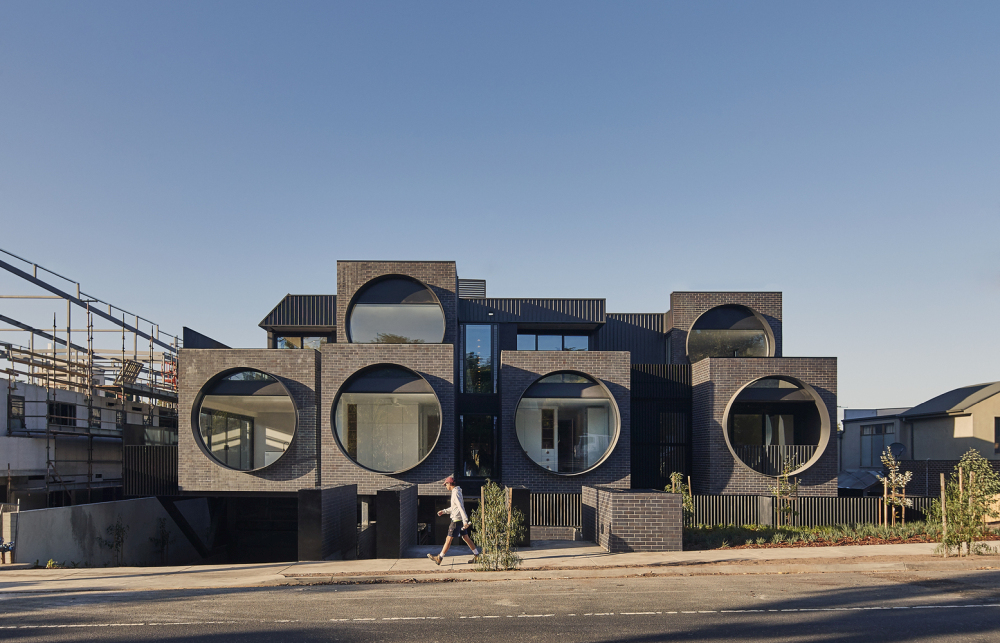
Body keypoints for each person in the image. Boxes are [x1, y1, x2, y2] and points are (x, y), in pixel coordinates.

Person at [427, 476, 481, 565]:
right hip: (459, 520)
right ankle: (477, 556)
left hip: (456, 521)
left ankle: (439, 558)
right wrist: (444, 511)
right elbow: (454, 507)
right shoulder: (456, 492)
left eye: (446, 485)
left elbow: (460, 507)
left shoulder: (456, 493)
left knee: (448, 539)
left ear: (449, 483)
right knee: (466, 538)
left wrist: (465, 520)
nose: (445, 486)